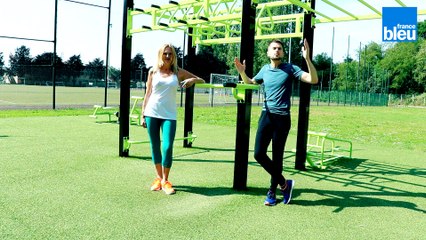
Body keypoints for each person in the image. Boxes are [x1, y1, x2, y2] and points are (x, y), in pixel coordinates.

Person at [234, 39, 318, 205]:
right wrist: (242, 72)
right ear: (268, 52)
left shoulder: (290, 68)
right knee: (258, 154)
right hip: (266, 116)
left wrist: (307, 58)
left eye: (279, 48)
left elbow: (313, 79)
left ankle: (272, 192)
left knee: (277, 157)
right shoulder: (265, 69)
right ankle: (284, 184)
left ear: (283, 52)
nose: (277, 51)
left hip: (282, 119)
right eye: (273, 48)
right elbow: (250, 82)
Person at [141, 43, 205, 195]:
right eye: (165, 53)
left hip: (169, 115)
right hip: (152, 113)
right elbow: (148, 94)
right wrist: (143, 114)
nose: (168, 56)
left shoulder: (177, 72)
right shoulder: (153, 72)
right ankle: (158, 178)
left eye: (171, 54)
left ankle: (166, 180)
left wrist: (192, 80)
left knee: (167, 146)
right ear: (160, 55)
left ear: (174, 57)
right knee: (155, 146)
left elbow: (201, 79)